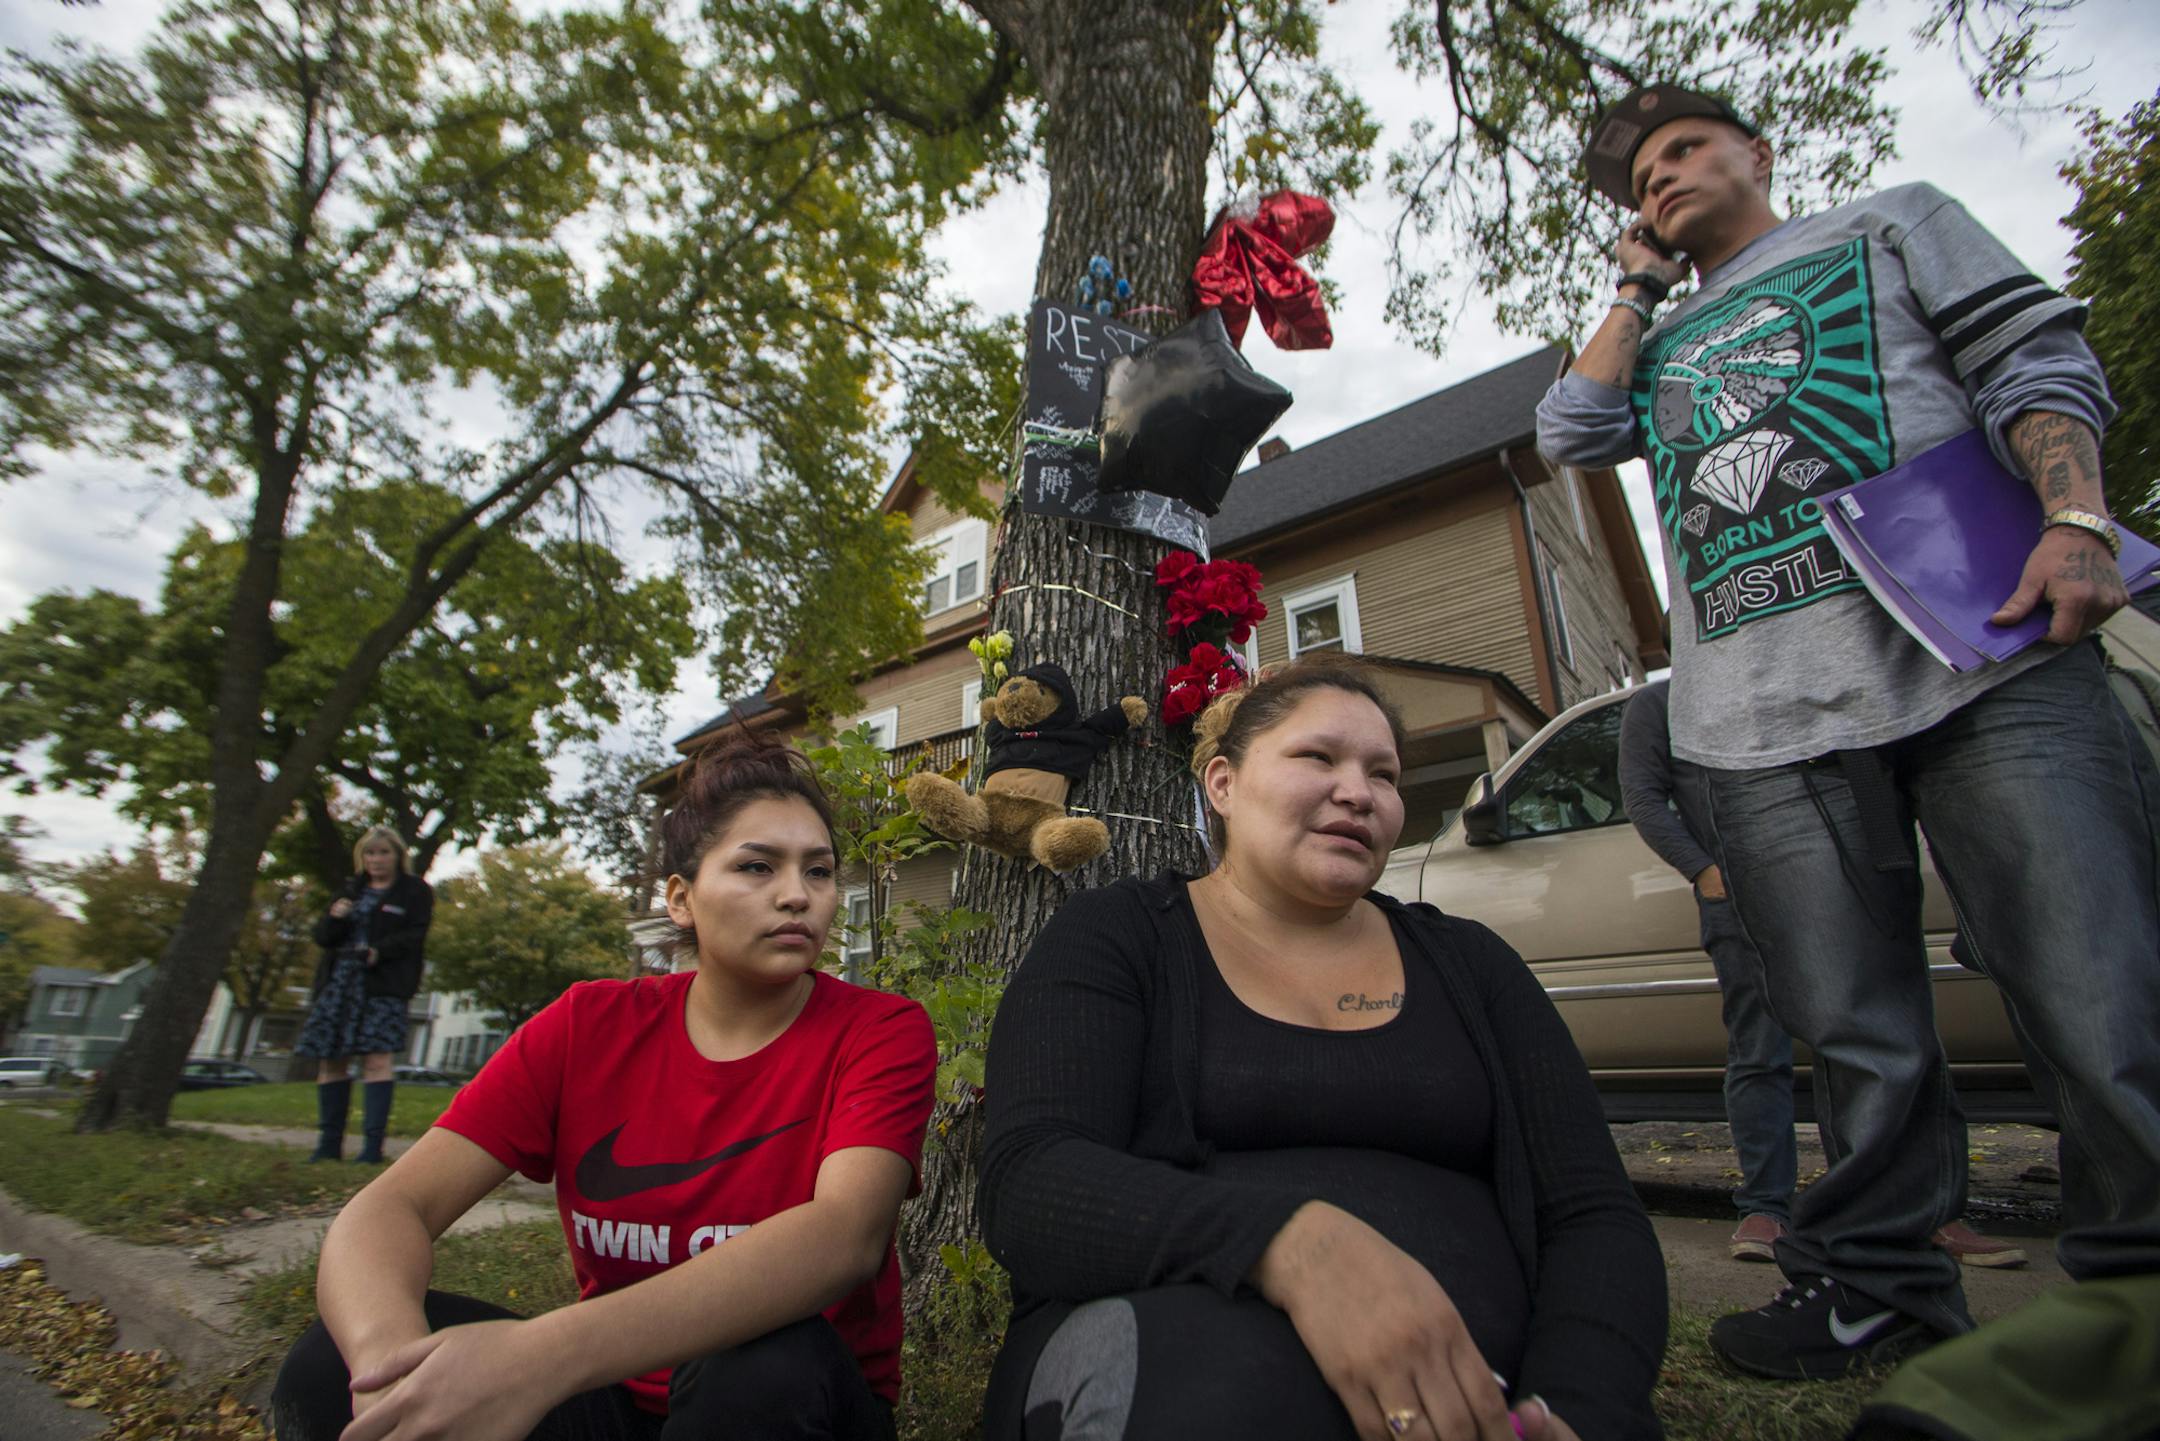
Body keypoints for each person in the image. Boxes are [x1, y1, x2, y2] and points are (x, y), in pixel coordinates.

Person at [1537, 83, 2160, 1381]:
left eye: (1688, 151)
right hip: (1761, 719)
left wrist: (2079, 518)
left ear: (1759, 154)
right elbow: (1571, 430)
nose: (1662, 179)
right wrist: (1636, 288)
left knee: (2094, 982)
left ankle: (2141, 1290)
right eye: (1642, 177)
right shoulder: (1657, 338)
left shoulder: (1888, 224)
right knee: (1849, 1026)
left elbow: (2030, 354)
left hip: (1986, 651)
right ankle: (1885, 1290)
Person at [976, 656, 1667, 1441]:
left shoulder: (1475, 965)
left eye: (1384, 774)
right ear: (1223, 784)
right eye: (1319, 757)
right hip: (1188, 1371)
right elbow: (1030, 1180)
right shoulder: (1120, 936)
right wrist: (1293, 1243)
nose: (1358, 791)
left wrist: (1580, 1403)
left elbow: (1594, 1213)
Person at [270, 741, 936, 1441]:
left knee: (763, 1361)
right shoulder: (588, 1025)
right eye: (757, 865)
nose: (798, 892)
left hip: (796, 1404)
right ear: (680, 898)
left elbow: (843, 1238)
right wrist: (394, 1375)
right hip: (609, 1401)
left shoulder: (880, 1030)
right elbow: (387, 1210)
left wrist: (537, 1357)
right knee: (327, 1367)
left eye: (820, 870)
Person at [1619, 681, 2026, 1269]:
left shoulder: (1806, 672)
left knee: (1891, 1039)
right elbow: (1643, 797)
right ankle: (1765, 1207)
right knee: (1760, 1051)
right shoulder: (1660, 705)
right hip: (1741, 895)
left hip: (1852, 880)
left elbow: (1873, 764)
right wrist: (1705, 871)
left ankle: (1924, 1210)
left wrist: (1888, 856)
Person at [299, 827, 434, 1164]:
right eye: (370, 853)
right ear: (363, 857)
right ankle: (328, 1144)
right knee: (332, 1060)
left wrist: (379, 952)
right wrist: (335, 917)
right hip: (340, 984)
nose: (376, 859)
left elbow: (415, 935)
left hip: (382, 985)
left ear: (397, 856)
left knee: (377, 1061)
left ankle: (372, 1147)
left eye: (383, 852)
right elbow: (323, 937)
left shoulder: (413, 892)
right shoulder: (349, 891)